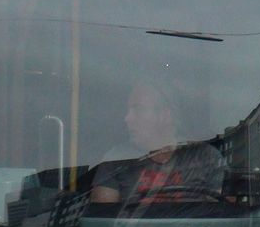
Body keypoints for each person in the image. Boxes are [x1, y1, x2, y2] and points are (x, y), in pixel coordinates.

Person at [90, 80, 225, 207]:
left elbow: (222, 217)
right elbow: (103, 222)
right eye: (128, 111)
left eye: (138, 110)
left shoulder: (206, 157)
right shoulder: (115, 160)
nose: (127, 118)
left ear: (165, 115)